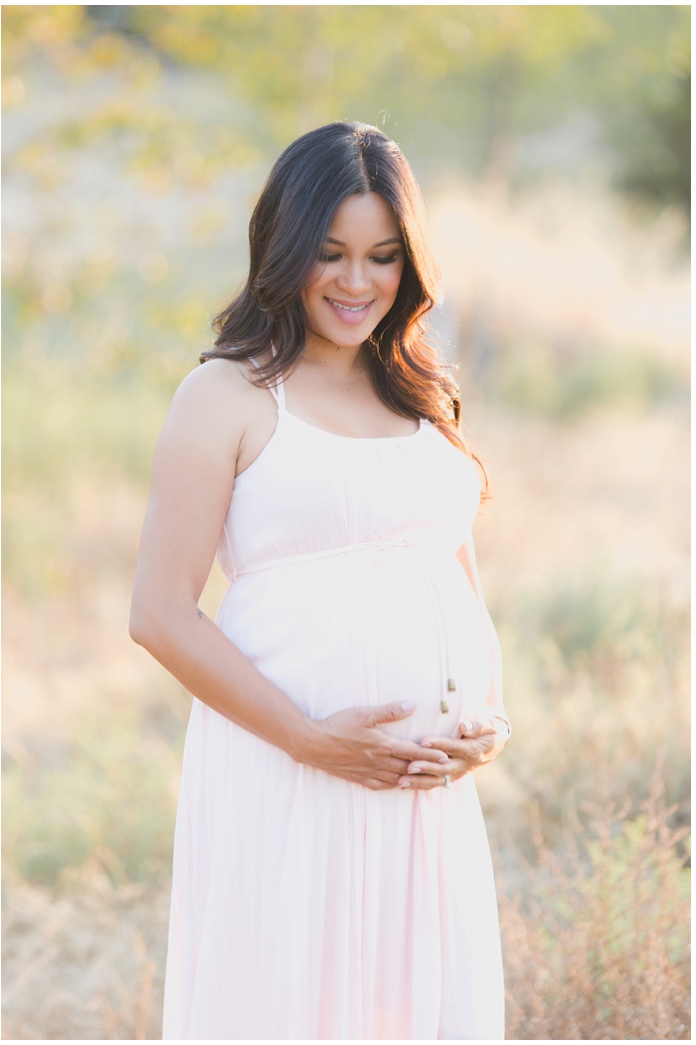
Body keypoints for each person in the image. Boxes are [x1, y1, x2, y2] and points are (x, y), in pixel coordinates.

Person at [130, 120, 510, 1040]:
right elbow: (159, 614)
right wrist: (309, 739)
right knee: (291, 1006)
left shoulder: (421, 397)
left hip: (425, 795)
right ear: (285, 248)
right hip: (288, 771)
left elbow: (457, 584)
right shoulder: (227, 396)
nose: (356, 281)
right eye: (330, 253)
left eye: (383, 256)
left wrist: (487, 726)